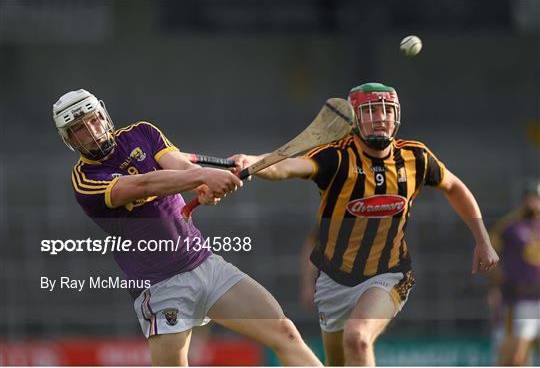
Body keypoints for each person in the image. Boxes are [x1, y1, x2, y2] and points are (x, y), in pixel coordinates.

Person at [230, 82, 500, 366]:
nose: (381, 118)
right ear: (355, 120)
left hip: (388, 274)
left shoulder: (415, 157)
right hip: (333, 280)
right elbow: (286, 167)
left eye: (387, 111)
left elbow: (455, 187)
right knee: (339, 361)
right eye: (372, 111)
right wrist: (254, 162)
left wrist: (483, 241)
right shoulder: (335, 157)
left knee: (357, 337)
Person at [52, 89, 322, 366]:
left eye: (94, 119)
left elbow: (180, 167)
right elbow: (145, 184)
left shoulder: (141, 132)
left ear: (104, 115)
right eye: (79, 129)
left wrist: (204, 186)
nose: (92, 131)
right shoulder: (85, 180)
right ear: (69, 140)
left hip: (204, 264)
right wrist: (204, 176)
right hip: (161, 286)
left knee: (285, 332)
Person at [489, 180, 540, 366]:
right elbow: (489, 253)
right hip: (521, 298)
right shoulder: (510, 226)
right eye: (529, 198)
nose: (532, 202)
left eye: (536, 198)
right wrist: (495, 285)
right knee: (516, 357)